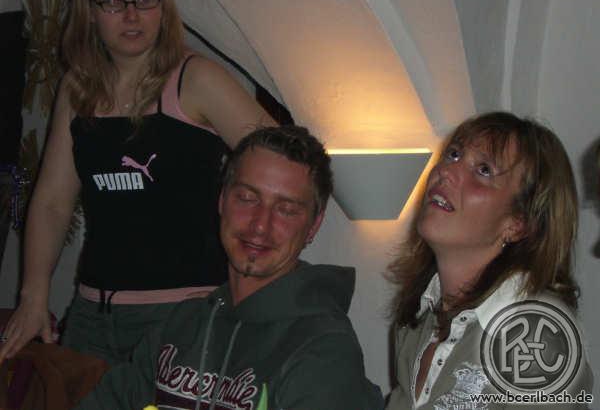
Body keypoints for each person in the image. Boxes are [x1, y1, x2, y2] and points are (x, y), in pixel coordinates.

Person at [0, 0, 275, 365]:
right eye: (114, 2)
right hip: (93, 317)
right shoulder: (77, 88)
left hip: (183, 317)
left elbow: (287, 165)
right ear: (90, 11)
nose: (131, 15)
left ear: (164, 6)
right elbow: (53, 203)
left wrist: (257, 267)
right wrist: (33, 297)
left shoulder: (197, 79)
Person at [74, 125, 384, 410]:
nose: (260, 225)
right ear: (222, 200)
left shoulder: (322, 351)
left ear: (313, 225)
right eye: (247, 198)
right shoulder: (182, 325)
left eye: (286, 210)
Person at [386, 112, 593, 409]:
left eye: (483, 170)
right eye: (453, 154)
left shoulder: (535, 337)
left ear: (518, 224)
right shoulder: (417, 319)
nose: (447, 171)